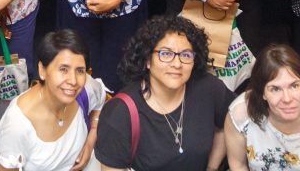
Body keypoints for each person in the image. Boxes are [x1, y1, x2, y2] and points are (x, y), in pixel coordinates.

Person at [95, 14, 232, 171]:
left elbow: (230, 122)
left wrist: (212, 167)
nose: (177, 64)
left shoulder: (209, 89)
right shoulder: (120, 112)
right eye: (166, 54)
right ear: (147, 60)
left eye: (186, 55)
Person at [0, 29, 104, 171]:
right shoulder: (17, 123)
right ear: (42, 70)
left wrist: (90, 142)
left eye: (80, 70)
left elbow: (100, 102)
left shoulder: (86, 89)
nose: (73, 81)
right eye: (63, 69)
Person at [225, 43, 300, 171]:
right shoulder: (241, 113)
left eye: (294, 86)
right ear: (262, 91)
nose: (287, 99)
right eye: (275, 89)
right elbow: (238, 164)